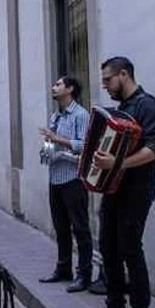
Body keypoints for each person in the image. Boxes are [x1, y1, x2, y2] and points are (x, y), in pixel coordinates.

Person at [81, 57, 155, 308]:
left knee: (131, 250)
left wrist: (117, 164)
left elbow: (154, 149)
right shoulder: (122, 110)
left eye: (108, 80)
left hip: (137, 191)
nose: (104, 86)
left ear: (124, 74)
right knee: (108, 248)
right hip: (114, 190)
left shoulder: (148, 106)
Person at [38, 76, 93, 293]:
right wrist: (47, 149)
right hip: (55, 179)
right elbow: (50, 143)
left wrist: (56, 139)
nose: (54, 87)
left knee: (80, 228)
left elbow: (84, 145)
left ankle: (84, 274)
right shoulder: (56, 116)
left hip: (73, 180)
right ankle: (63, 268)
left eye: (58, 85)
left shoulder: (81, 115)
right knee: (61, 228)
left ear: (69, 89)